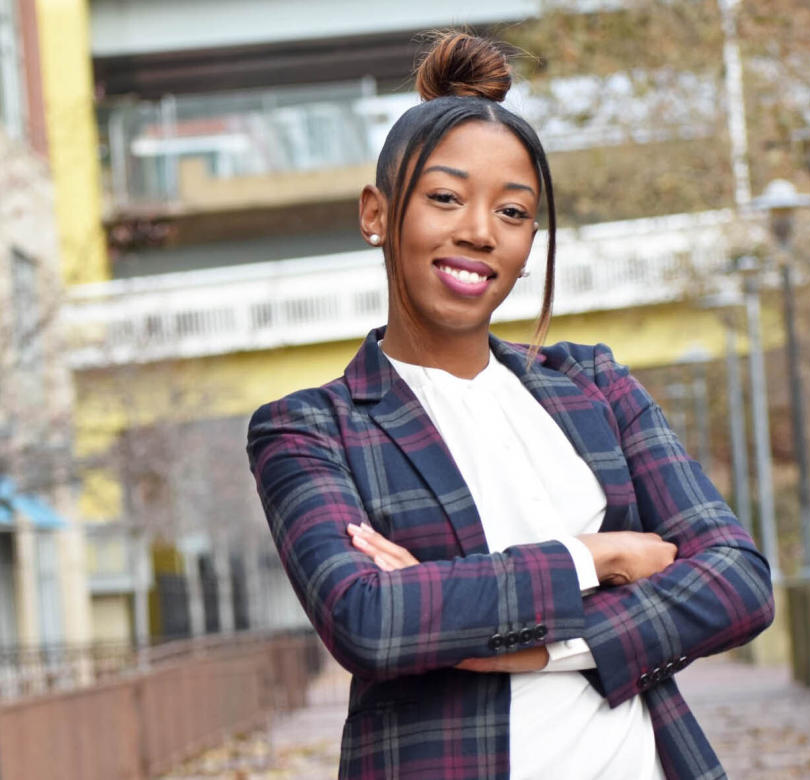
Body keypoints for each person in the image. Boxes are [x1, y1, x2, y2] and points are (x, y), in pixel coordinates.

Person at [247, 31, 774, 780]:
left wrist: (533, 642)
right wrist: (599, 556)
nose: (479, 233)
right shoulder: (309, 429)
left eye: (514, 212)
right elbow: (370, 621)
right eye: (445, 198)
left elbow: (739, 581)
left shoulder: (595, 385)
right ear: (375, 213)